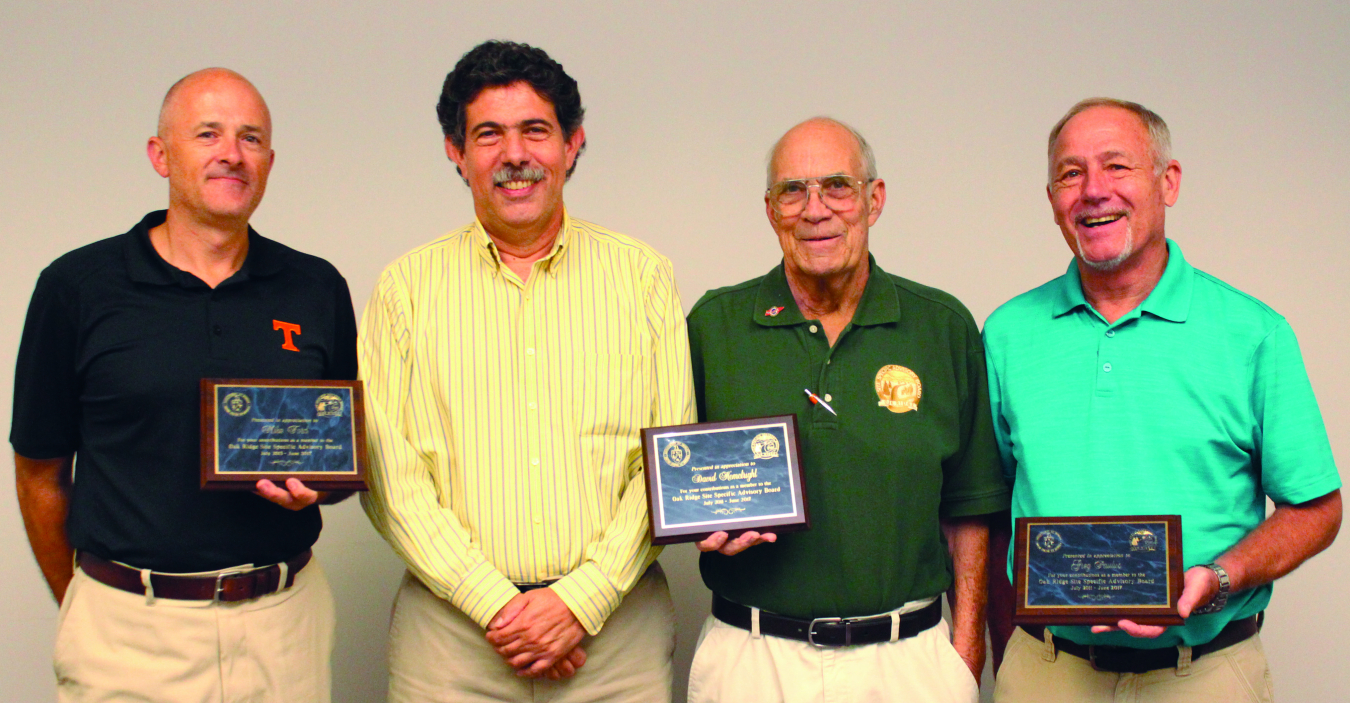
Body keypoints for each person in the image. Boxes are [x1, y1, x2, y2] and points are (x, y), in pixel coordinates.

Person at [359, 40, 694, 703]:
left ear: (573, 143)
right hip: (451, 642)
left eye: (535, 130)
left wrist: (580, 601)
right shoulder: (404, 290)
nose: (515, 154)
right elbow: (390, 477)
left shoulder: (644, 277)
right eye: (489, 134)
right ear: (456, 151)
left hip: (614, 638)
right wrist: (499, 609)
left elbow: (672, 458)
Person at [11, 68, 357, 702]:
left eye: (251, 138)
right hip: (126, 631)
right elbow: (38, 471)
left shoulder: (317, 287)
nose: (232, 153)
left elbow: (337, 458)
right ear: (160, 154)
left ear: (270, 162)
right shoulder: (77, 287)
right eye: (208, 133)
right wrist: (89, 604)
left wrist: (317, 490)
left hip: (284, 625)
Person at [984, 97, 1342, 702]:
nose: (1094, 190)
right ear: (1052, 201)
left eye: (1117, 167)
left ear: (1167, 182)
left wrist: (1220, 578)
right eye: (1071, 174)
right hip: (1047, 672)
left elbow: (1318, 510)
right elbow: (988, 511)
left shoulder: (1253, 333)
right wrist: (1006, 657)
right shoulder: (1007, 333)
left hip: (1202, 673)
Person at [684, 117, 1009, 703]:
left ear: (873, 199)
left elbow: (970, 506)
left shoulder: (941, 326)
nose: (815, 210)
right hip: (751, 659)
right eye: (793, 191)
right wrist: (697, 520)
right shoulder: (714, 326)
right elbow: (676, 476)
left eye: (837, 186)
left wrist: (965, 655)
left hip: (907, 662)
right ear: (769, 209)